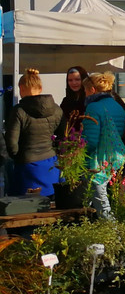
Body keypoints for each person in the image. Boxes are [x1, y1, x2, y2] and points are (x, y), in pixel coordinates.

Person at [5, 68, 63, 196]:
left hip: (27, 165)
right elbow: (63, 136)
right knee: (51, 204)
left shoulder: (19, 111)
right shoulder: (57, 109)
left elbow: (11, 142)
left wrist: (17, 156)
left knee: (25, 207)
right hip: (51, 164)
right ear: (40, 88)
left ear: (21, 88)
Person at [82, 72, 125, 217]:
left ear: (92, 90)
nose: (84, 93)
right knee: (107, 194)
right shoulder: (117, 106)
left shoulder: (93, 108)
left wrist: (80, 153)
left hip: (97, 159)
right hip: (114, 157)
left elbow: (91, 140)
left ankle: (112, 231)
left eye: (85, 90)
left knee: (99, 198)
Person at [59, 65, 89, 138]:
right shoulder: (66, 101)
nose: (74, 83)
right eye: (70, 80)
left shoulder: (89, 100)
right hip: (69, 140)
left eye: (77, 79)